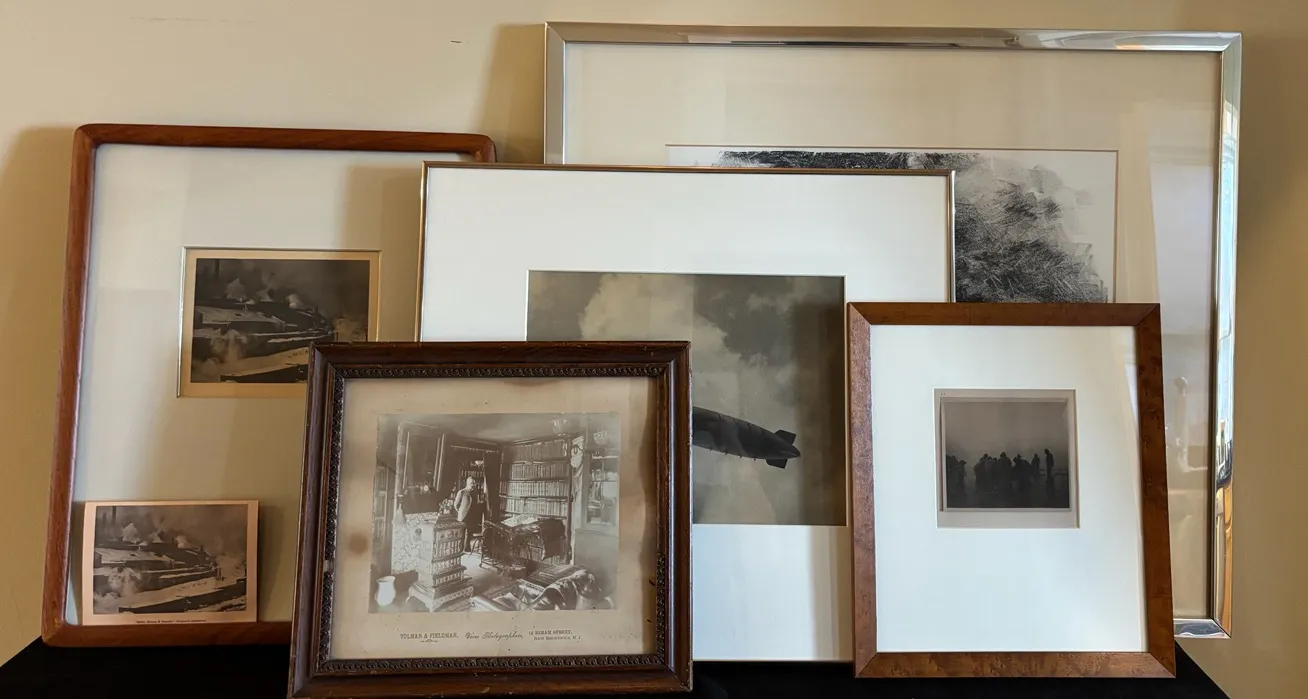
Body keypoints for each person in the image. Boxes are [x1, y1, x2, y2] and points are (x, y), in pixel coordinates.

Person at [453, 476, 484, 552]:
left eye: (474, 483)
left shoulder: (475, 492)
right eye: (471, 483)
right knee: (461, 533)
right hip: (463, 516)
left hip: (471, 516)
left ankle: (467, 548)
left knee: (469, 532)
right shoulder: (462, 492)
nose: (473, 485)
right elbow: (456, 505)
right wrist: (460, 511)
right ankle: (459, 549)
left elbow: (477, 503)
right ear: (467, 483)